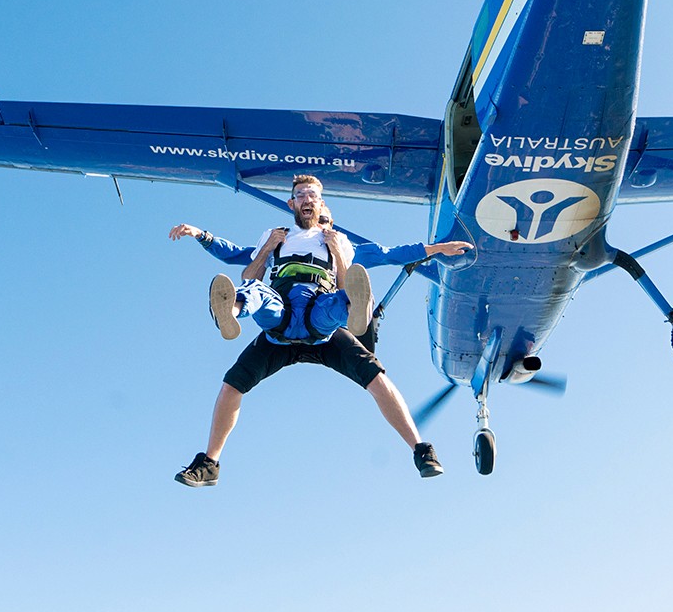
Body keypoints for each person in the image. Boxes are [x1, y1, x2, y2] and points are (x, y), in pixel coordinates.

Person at [166, 175, 473, 487]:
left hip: (320, 319)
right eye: (301, 195)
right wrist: (201, 235)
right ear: (292, 204)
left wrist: (438, 248)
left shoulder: (342, 242)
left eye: (313, 195)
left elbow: (392, 253)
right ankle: (210, 462)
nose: (307, 198)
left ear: (323, 204)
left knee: (374, 372)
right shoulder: (276, 238)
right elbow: (231, 253)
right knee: (237, 365)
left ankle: (421, 449)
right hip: (282, 317)